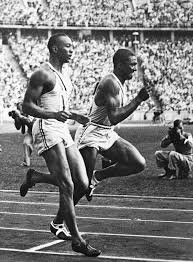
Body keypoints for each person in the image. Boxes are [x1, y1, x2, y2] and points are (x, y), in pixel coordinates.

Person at [20, 33, 101, 257]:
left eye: (72, 46)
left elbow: (59, 107)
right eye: (68, 46)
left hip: (62, 129)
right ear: (54, 49)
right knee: (67, 184)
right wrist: (53, 114)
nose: (72, 50)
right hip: (46, 128)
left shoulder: (66, 74)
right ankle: (76, 239)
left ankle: (35, 177)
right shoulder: (42, 73)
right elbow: (26, 106)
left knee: (82, 183)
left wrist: (75, 115)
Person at [75, 48, 149, 201]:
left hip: (106, 132)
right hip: (91, 133)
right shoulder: (110, 82)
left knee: (138, 163)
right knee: (81, 186)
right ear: (119, 65)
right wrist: (138, 100)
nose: (135, 69)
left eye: (136, 65)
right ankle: (58, 222)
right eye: (132, 65)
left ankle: (96, 177)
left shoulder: (119, 82)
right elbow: (114, 117)